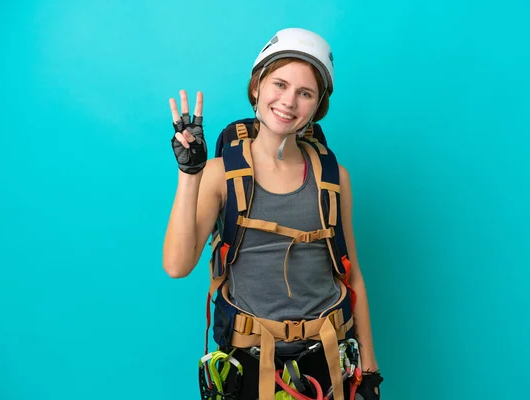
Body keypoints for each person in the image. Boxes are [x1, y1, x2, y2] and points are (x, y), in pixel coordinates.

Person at [163, 28, 383, 400]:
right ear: (257, 88)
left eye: (305, 93)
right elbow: (177, 265)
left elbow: (352, 276)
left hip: (326, 360)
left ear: (317, 107)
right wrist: (191, 174)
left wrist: (371, 372)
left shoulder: (334, 178)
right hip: (248, 361)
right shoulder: (221, 173)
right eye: (279, 84)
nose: (289, 101)